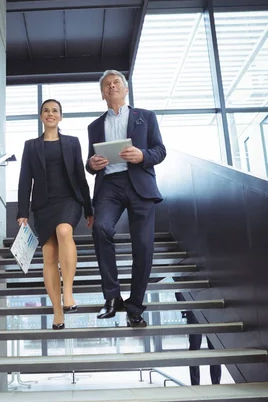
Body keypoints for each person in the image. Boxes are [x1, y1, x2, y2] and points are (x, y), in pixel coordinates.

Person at [86, 70, 166, 327]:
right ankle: (112, 297)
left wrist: (142, 155)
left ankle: (135, 307)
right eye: (107, 85)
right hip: (109, 185)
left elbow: (160, 150)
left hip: (139, 184)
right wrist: (92, 163)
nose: (111, 87)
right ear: (102, 94)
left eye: (116, 82)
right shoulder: (95, 126)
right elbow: (90, 162)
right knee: (101, 228)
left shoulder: (146, 117)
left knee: (143, 246)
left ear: (126, 89)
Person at [17, 99, 93, 330]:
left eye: (55, 111)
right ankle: (57, 311)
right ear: (41, 116)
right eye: (46, 111)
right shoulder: (31, 146)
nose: (50, 114)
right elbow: (24, 180)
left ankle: (68, 293)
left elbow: (80, 176)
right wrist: (22, 213)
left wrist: (88, 208)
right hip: (42, 205)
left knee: (64, 230)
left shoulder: (72, 142)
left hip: (68, 199)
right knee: (49, 254)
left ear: (61, 117)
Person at [175, 292, 222, 385]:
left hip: (209, 309)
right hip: (194, 310)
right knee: (195, 349)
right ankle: (197, 383)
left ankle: (215, 382)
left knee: (212, 349)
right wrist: (185, 309)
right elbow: (179, 290)